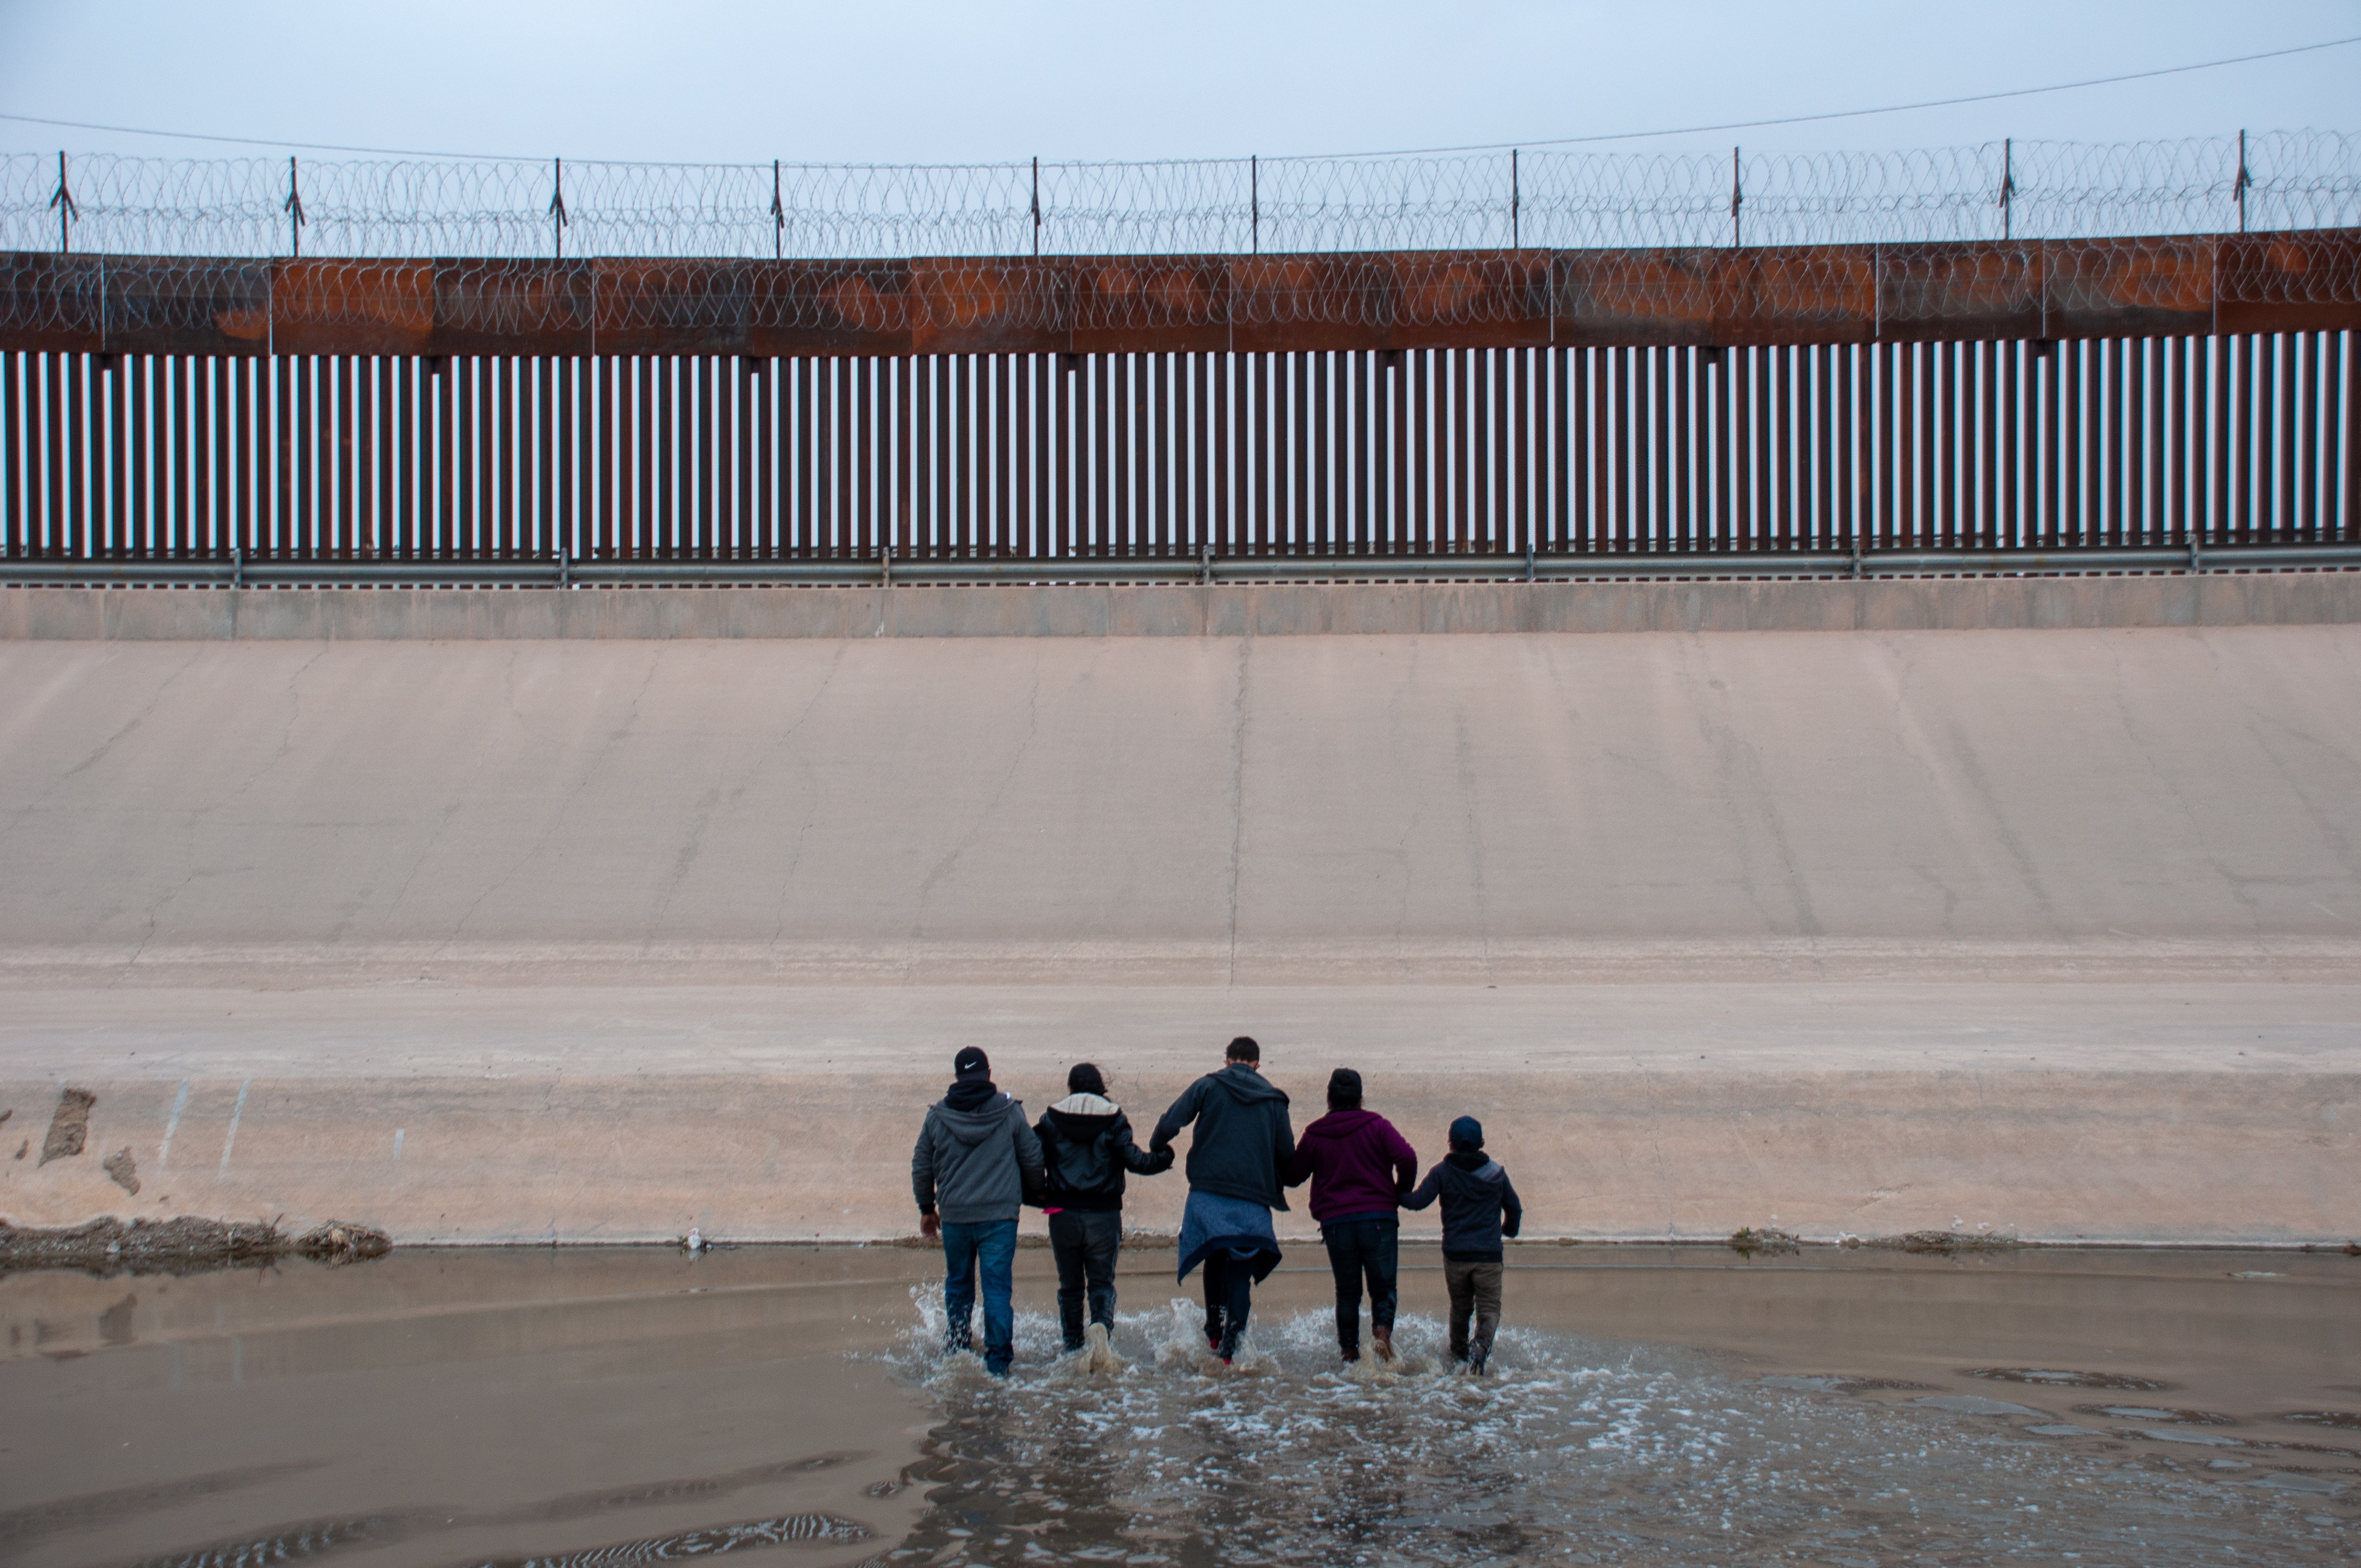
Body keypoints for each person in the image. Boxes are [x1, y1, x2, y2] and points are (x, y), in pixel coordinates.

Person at [1150, 1035, 1296, 1364]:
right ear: (1258, 1064)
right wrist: (1287, 1180)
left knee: (1214, 1256)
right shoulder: (1273, 1100)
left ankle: (1214, 1332)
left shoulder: (1208, 1085)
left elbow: (1172, 1122)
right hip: (1251, 1197)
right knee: (1240, 1272)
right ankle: (1233, 1346)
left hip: (1208, 1193)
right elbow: (1287, 1153)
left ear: (1227, 1060)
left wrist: (1158, 1147)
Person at [911, 1046, 1045, 1377]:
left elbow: (921, 1166)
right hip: (1000, 1216)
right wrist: (1033, 1195)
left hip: (955, 1215)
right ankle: (998, 1363)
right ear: (988, 1073)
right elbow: (1033, 1158)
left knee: (958, 1284)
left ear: (957, 1077)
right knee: (997, 1288)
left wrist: (928, 1209)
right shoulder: (1010, 1112)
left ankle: (957, 1350)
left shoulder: (938, 1116)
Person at [1032, 1061, 1174, 1357]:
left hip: (1061, 1214)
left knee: (1070, 1287)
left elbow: (1030, 1156)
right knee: (1101, 1284)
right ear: (1101, 1087)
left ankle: (1072, 1347)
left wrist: (1036, 1193)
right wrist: (1164, 1157)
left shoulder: (1051, 1119)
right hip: (1104, 1215)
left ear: (1070, 1087)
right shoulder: (1114, 1118)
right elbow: (1136, 1161)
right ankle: (1100, 1332)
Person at [1285, 1068, 1418, 1364]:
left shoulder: (1315, 1133)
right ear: (1360, 1098)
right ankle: (1382, 1335)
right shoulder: (1377, 1126)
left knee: (1347, 1292)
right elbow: (1407, 1157)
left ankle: (1350, 1355)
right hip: (1379, 1218)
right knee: (1383, 1287)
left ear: (1329, 1098)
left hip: (1336, 1223)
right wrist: (1400, 1191)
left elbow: (1294, 1176)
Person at [1401, 1115, 1523, 1374]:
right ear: (1482, 1143)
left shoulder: (1442, 1172)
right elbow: (1514, 1208)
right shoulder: (1497, 1175)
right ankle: (1480, 1348)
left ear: (1450, 1144)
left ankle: (1457, 1356)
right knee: (1489, 1307)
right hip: (1489, 1255)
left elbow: (1417, 1201)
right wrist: (1508, 1230)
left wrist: (1390, 1191)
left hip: (1456, 1255)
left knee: (1460, 1306)